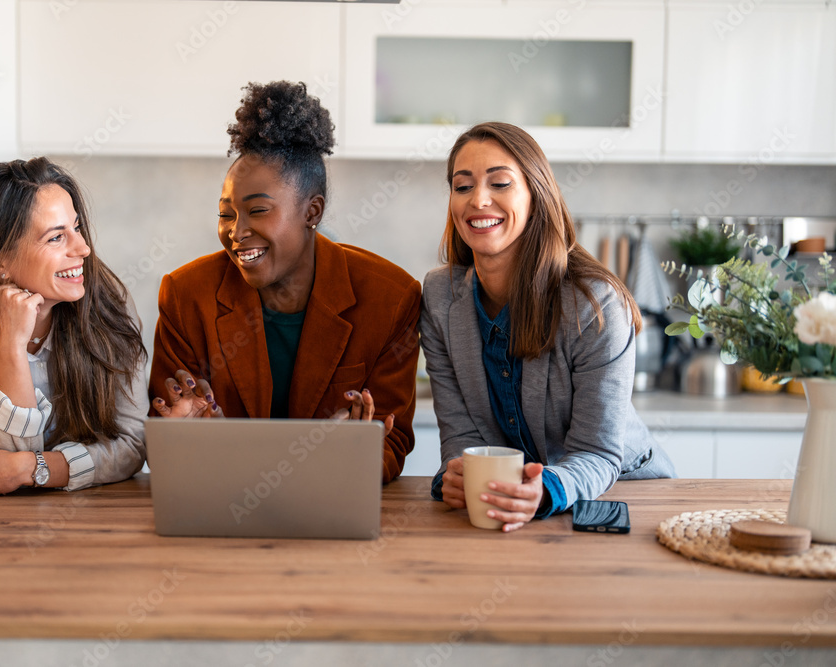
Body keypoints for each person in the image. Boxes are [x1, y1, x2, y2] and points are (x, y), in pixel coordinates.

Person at [149, 81, 421, 483]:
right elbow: (164, 444)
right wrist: (182, 438)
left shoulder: (391, 297)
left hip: (330, 512)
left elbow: (391, 443)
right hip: (223, 508)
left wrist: (351, 453)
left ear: (312, 211)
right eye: (226, 214)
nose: (237, 232)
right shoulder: (187, 295)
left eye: (257, 210)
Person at [420, 122, 675, 531]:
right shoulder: (438, 297)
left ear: (537, 196)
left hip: (621, 494)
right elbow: (461, 436)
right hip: (513, 507)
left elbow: (597, 451)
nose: (478, 200)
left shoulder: (594, 303)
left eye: (500, 183)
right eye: (462, 186)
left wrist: (544, 491)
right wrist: (456, 476)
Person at [0, 157, 150, 495]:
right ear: (0, 261)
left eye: (76, 228)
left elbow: (131, 446)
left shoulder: (109, 306)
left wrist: (31, 468)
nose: (83, 248)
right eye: (56, 238)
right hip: (0, 526)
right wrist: (11, 346)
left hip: (99, 515)